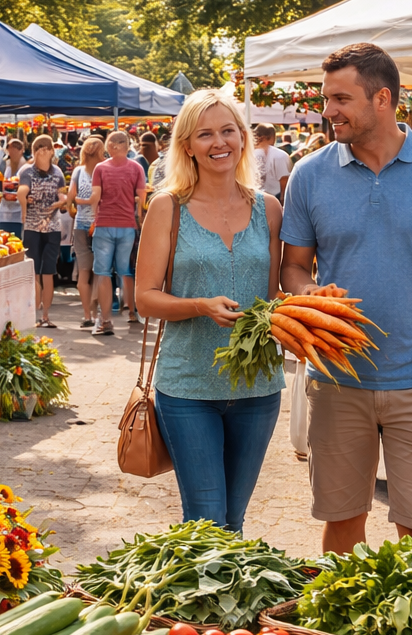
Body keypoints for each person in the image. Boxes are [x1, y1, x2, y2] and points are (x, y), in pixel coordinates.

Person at [281, 42, 412, 554]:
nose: (328, 110)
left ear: (382, 99)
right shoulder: (310, 174)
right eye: (326, 98)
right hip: (336, 377)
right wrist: (310, 294)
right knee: (341, 523)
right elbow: (292, 266)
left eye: (340, 98)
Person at [134, 88, 284, 533]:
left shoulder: (269, 210)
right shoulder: (167, 207)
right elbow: (145, 297)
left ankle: (226, 604)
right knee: (204, 520)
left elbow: (275, 293)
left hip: (258, 387)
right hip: (188, 387)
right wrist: (200, 305)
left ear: (244, 138)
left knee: (233, 520)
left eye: (228, 131)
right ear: (187, 146)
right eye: (205, 134)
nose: (219, 143)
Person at [90, 131, 148, 336]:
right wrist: (139, 220)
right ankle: (132, 312)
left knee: (104, 272)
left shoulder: (100, 168)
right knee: (125, 270)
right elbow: (142, 197)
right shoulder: (137, 168)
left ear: (112, 146)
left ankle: (106, 320)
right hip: (127, 225)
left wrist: (93, 214)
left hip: (104, 223)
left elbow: (95, 196)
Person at [18, 135, 69, 328]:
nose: (43, 151)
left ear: (52, 151)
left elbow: (62, 194)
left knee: (48, 271)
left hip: (52, 227)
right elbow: (21, 192)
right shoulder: (27, 172)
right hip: (32, 227)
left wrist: (61, 201)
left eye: (46, 148)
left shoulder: (57, 172)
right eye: (39, 148)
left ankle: (45, 315)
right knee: (34, 271)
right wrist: (24, 211)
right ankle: (35, 312)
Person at [68, 136, 106, 327]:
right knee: (99, 272)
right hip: (100, 226)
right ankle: (97, 312)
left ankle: (86, 316)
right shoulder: (104, 171)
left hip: (80, 226)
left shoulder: (77, 171)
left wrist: (76, 205)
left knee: (83, 274)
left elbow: (70, 199)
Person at [0, 138, 26, 237]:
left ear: (21, 150)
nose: (12, 151)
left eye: (16, 148)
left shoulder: (25, 167)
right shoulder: (5, 164)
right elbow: (0, 185)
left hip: (18, 213)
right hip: (4, 212)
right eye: (10, 148)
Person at [253, 124, 290, 198]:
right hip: (275, 198)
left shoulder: (248, 155)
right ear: (272, 136)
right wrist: (283, 200)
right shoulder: (280, 155)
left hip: (253, 197)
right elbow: (284, 181)